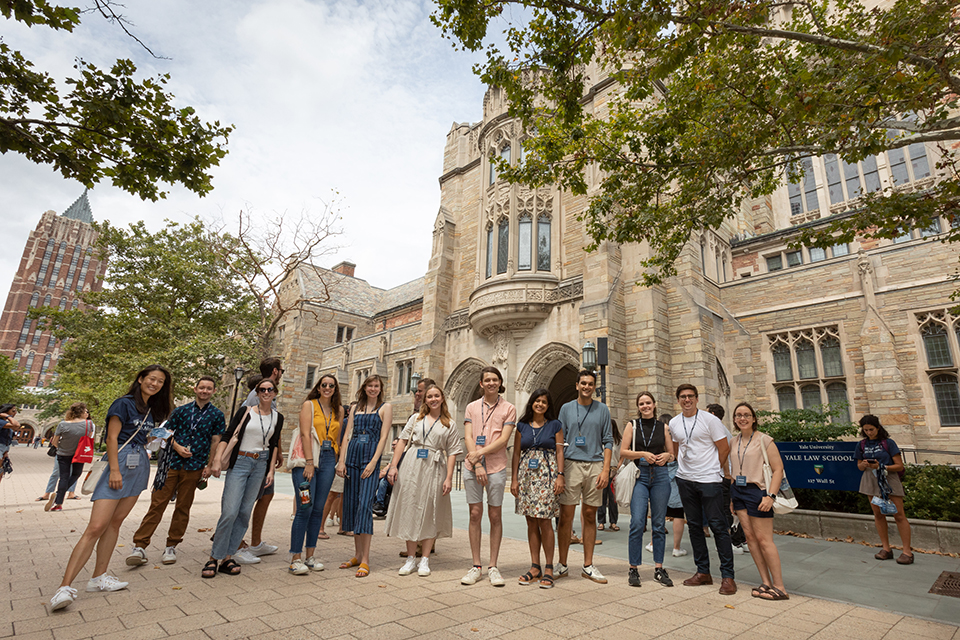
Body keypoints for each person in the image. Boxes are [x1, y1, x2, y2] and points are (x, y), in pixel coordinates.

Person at [48, 365, 174, 611]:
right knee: (96, 527)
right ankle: (64, 587)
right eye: (151, 379)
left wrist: (157, 438)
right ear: (140, 379)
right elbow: (112, 438)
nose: (155, 384)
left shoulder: (150, 410)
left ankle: (99, 577)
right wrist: (114, 470)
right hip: (118, 465)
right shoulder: (123, 404)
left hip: (139, 467)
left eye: (160, 382)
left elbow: (141, 438)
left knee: (115, 524)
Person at [127, 377, 225, 567]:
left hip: (195, 466)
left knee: (183, 507)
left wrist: (209, 464)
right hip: (170, 463)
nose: (204, 391)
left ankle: (171, 545)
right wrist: (177, 447)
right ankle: (140, 545)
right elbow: (165, 433)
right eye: (202, 387)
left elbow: (216, 440)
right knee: (157, 504)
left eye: (209, 388)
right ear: (195, 389)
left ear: (214, 391)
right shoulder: (180, 411)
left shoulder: (216, 415)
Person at [204, 377, 283, 578]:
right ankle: (214, 557)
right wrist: (216, 461)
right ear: (257, 393)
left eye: (270, 389)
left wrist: (271, 470)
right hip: (240, 461)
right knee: (230, 511)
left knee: (244, 512)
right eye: (262, 390)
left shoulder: (277, 417)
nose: (266, 393)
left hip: (261, 464)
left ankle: (228, 557)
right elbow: (227, 435)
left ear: (275, 393)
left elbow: (273, 444)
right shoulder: (246, 412)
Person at [386, 384, 463, 577]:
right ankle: (411, 558)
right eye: (430, 396)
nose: (433, 399)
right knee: (410, 508)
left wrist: (449, 478)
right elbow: (402, 441)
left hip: (435, 466)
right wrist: (393, 465)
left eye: (436, 396)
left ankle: (425, 559)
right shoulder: (416, 418)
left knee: (431, 510)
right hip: (412, 465)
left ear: (442, 398)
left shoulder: (449, 424)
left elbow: (453, 452)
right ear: (425, 400)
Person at [670, 383, 736, 595]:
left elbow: (724, 447)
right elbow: (677, 448)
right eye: (683, 397)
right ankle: (703, 572)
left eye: (690, 396)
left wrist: (714, 469)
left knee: (718, 526)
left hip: (709, 480)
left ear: (697, 399)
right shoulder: (674, 422)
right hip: (685, 480)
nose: (686, 400)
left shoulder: (710, 420)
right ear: (678, 400)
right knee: (695, 527)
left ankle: (727, 576)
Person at [461, 366, 517, 587]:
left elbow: (503, 440)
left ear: (500, 382)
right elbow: (467, 435)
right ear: (481, 383)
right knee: (475, 514)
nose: (491, 383)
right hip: (472, 467)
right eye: (487, 380)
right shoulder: (472, 407)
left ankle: (493, 566)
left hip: (495, 466)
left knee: (495, 516)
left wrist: (479, 455)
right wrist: (476, 464)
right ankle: (476, 565)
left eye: (495, 379)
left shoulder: (508, 408)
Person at [556, 370, 613, 584]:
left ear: (594, 386)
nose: (587, 387)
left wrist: (606, 470)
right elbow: (560, 441)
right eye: (583, 383)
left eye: (590, 383)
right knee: (566, 516)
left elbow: (608, 440)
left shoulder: (602, 410)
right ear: (577, 385)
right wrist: (559, 472)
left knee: (590, 515)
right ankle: (562, 565)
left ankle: (588, 565)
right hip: (571, 464)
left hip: (595, 465)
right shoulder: (566, 408)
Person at [729, 402, 789, 600]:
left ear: (754, 418)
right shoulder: (734, 441)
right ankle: (766, 582)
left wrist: (770, 496)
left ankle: (780, 587)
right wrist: (732, 496)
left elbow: (778, 469)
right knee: (751, 539)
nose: (742, 418)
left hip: (758, 491)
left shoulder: (765, 440)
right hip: (738, 491)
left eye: (746, 415)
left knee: (765, 540)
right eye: (738, 415)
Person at [336, 374, 393, 577]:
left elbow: (384, 436)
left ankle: (366, 559)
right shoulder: (355, 409)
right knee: (351, 505)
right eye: (370, 385)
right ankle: (357, 555)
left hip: (370, 457)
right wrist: (341, 461)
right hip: (352, 456)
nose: (373, 389)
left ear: (380, 388)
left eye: (376, 386)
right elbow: (346, 435)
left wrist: (373, 462)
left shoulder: (385, 407)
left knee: (364, 505)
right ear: (364, 387)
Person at [288, 373, 343, 575]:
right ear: (318, 387)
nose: (327, 388)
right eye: (324, 385)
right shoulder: (309, 405)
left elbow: (338, 436)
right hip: (309, 458)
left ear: (336, 389)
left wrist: (337, 458)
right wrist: (310, 463)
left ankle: (310, 556)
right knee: (305, 506)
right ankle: (295, 557)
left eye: (331, 385)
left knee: (319, 509)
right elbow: (304, 433)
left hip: (328, 458)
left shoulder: (339, 410)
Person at [509, 388, 564, 588]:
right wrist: (514, 479)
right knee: (531, 521)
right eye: (537, 401)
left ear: (548, 406)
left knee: (545, 521)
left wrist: (560, 475)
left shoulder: (555, 425)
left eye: (544, 402)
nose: (540, 404)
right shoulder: (521, 426)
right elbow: (516, 453)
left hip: (547, 475)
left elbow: (559, 452)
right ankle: (535, 566)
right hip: (526, 476)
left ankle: (549, 566)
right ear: (531, 403)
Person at [622, 392, 676, 587]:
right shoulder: (632, 425)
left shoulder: (664, 427)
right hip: (640, 476)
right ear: (638, 406)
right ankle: (633, 568)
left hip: (660, 476)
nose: (645, 406)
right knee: (637, 522)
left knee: (659, 524)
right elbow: (623, 451)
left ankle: (659, 568)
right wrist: (643, 453)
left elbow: (672, 454)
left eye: (648, 403)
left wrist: (666, 457)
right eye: (641, 403)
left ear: (654, 405)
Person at [234, 358, 285, 564]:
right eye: (281, 370)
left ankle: (255, 542)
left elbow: (273, 426)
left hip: (265, 455)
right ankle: (236, 543)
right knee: (246, 500)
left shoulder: (269, 394)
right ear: (275, 371)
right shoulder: (257, 394)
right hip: (252, 456)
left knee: (265, 496)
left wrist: (278, 451)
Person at [855, 414, 913, 564]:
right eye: (866, 430)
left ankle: (907, 551)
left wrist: (881, 466)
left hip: (888, 479)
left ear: (878, 428)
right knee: (878, 513)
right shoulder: (861, 444)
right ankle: (886, 548)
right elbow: (859, 465)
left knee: (898, 514)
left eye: (871, 429)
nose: (869, 432)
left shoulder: (888, 443)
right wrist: (864, 465)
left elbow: (899, 465)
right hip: (870, 480)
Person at [45, 403, 94, 512]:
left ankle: (58, 504)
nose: (87, 413)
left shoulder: (62, 424)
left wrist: (61, 449)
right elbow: (88, 437)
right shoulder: (89, 424)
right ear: (81, 412)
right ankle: (59, 496)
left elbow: (54, 441)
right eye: (86, 411)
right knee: (76, 474)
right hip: (79, 454)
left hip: (63, 454)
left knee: (64, 477)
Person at [706, 402, 741, 554]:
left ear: (712, 415)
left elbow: (724, 453)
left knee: (724, 510)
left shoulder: (718, 429)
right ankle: (738, 540)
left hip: (723, 476)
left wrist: (725, 475)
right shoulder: (723, 429)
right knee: (730, 509)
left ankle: (728, 543)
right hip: (727, 476)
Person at [597, 419, 622, 533]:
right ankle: (601, 522)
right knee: (601, 497)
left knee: (613, 498)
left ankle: (613, 522)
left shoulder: (618, 440)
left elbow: (622, 455)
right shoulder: (599, 440)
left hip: (614, 471)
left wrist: (618, 466)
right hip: (602, 470)